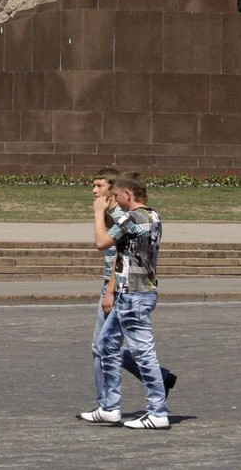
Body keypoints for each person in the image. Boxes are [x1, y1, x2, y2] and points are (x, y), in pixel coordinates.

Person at [80, 175, 170, 429]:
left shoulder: (133, 219)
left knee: (143, 353)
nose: (117, 200)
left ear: (128, 194)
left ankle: (157, 412)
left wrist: (99, 213)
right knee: (106, 344)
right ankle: (109, 407)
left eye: (119, 196)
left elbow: (102, 242)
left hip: (135, 295)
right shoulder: (153, 216)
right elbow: (122, 244)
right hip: (130, 292)